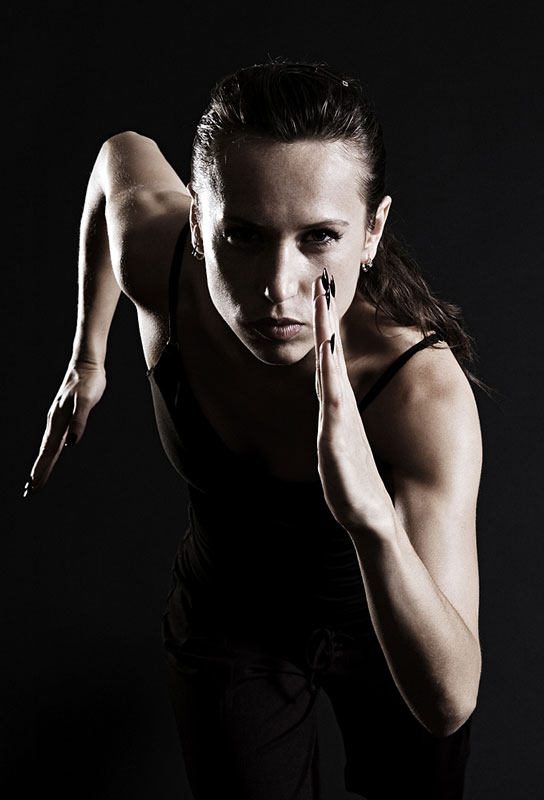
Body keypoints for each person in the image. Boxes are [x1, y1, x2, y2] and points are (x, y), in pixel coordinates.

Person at [26, 60, 483, 799]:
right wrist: (88, 357)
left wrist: (369, 516)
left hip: (390, 626)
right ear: (200, 228)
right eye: (243, 234)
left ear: (371, 234)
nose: (278, 286)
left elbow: (449, 701)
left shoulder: (418, 394)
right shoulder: (161, 266)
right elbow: (120, 157)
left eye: (320, 238)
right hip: (229, 615)